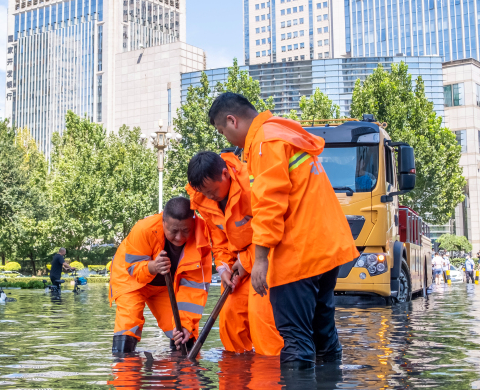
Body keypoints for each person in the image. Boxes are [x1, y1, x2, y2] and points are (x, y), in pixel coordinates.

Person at [208, 92, 358, 368]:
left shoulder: (265, 142)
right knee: (323, 333)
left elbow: (270, 204)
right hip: (325, 250)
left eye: (222, 131)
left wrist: (261, 259)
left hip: (298, 255)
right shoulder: (283, 133)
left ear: (232, 120)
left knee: (295, 339)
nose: (227, 140)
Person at [186, 150, 283, 356]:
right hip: (240, 268)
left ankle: (272, 376)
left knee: (261, 317)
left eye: (213, 191)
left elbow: (272, 228)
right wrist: (224, 269)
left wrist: (246, 262)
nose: (210, 197)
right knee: (229, 316)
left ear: (224, 174)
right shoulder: (203, 201)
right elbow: (219, 242)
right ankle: (236, 378)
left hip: (268, 261)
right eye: (205, 193)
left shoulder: (252, 185)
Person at [109, 197, 213, 355]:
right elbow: (133, 268)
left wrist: (185, 325)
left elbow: (195, 287)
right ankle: (125, 374)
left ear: (193, 223)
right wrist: (152, 266)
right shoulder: (143, 228)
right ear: (163, 221)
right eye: (174, 231)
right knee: (127, 326)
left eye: (186, 230)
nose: (179, 237)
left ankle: (182, 373)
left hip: (166, 286)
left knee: (183, 335)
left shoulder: (202, 237)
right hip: (129, 280)